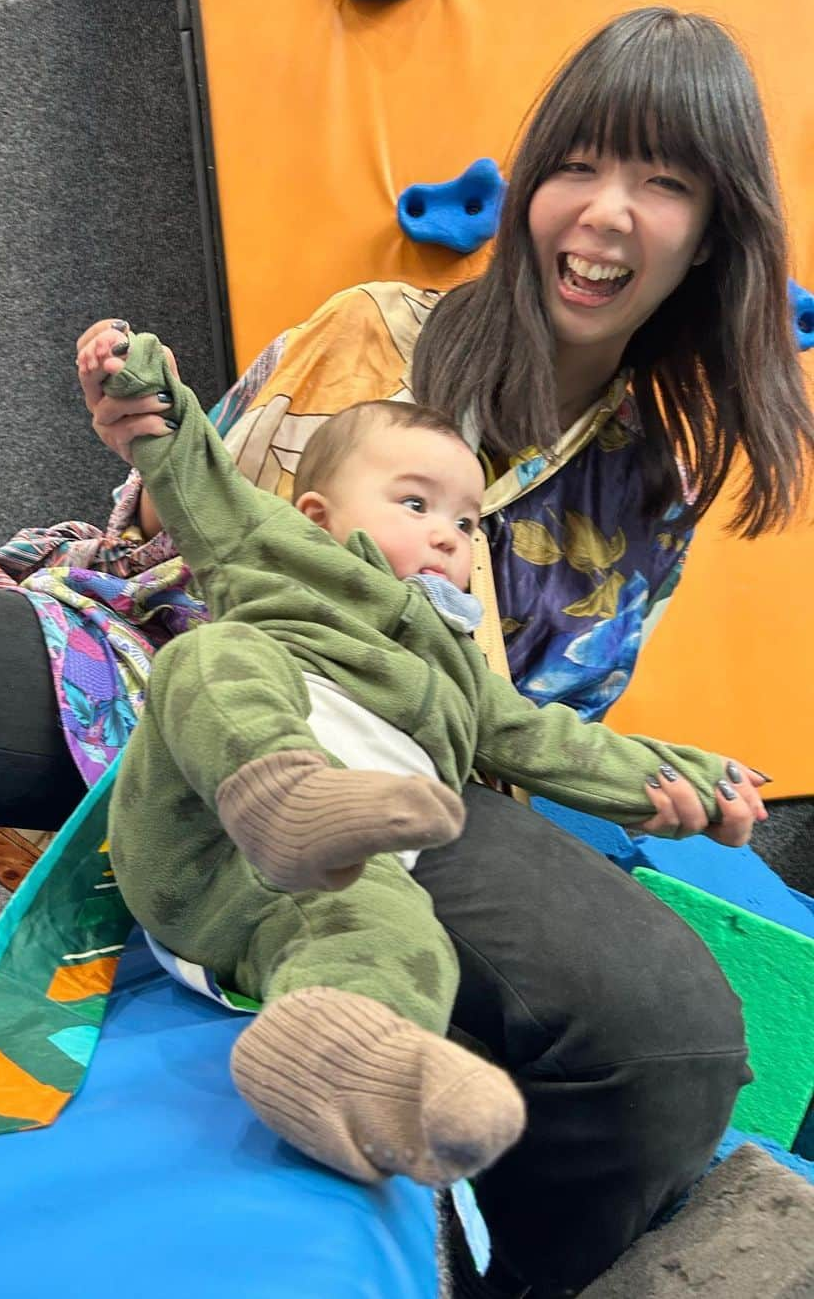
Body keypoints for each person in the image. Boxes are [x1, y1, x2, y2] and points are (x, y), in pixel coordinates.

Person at [0, 4, 809, 1298]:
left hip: (388, 769)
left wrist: (657, 779)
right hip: (153, 672)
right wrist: (155, 422)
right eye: (580, 164)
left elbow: (530, 729)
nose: (606, 212)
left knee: (672, 1037)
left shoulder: (644, 492)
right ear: (533, 182)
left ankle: (496, 1267)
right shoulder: (377, 331)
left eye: (665, 181)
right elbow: (215, 544)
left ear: (711, 238)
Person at [99, 328, 764, 1195]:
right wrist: (150, 406)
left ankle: (340, 1070)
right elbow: (205, 484)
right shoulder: (289, 561)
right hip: (201, 825)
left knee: (398, 934)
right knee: (215, 655)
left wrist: (692, 782)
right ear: (318, 517)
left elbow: (547, 738)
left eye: (465, 521)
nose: (449, 537)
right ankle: (285, 794)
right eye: (415, 504)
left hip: (303, 885)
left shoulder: (459, 670)